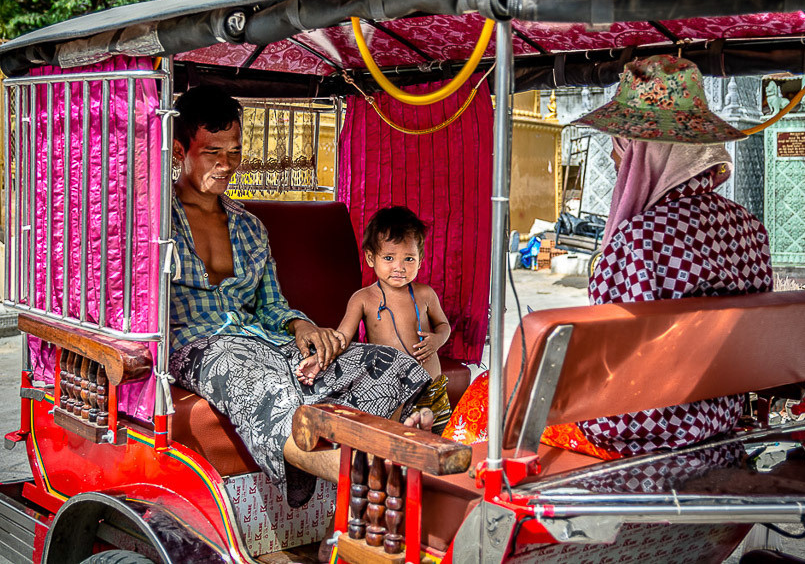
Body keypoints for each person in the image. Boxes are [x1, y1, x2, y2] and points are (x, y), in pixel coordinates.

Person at [444, 54, 772, 459]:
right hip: (720, 414)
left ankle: (471, 513)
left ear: (648, 153)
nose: (616, 160)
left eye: (621, 147)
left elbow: (618, 366)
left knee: (488, 393)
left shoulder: (640, 239)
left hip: (644, 425)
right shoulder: (749, 228)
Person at [167, 86, 432, 508]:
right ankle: (348, 468)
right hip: (198, 347)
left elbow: (271, 305)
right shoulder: (157, 220)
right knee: (261, 379)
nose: (225, 165)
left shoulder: (250, 227)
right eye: (212, 152)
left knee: (382, 362)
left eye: (234, 152)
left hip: (262, 340)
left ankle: (385, 437)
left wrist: (302, 326)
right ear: (180, 150)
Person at [296, 206, 453, 434]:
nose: (399, 267)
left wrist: (437, 340)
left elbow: (444, 326)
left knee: (438, 444)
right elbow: (342, 338)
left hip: (433, 389)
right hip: (393, 392)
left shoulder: (425, 294)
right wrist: (319, 360)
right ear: (371, 258)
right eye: (389, 258)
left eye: (409, 258)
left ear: (420, 260)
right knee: (399, 445)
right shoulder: (363, 298)